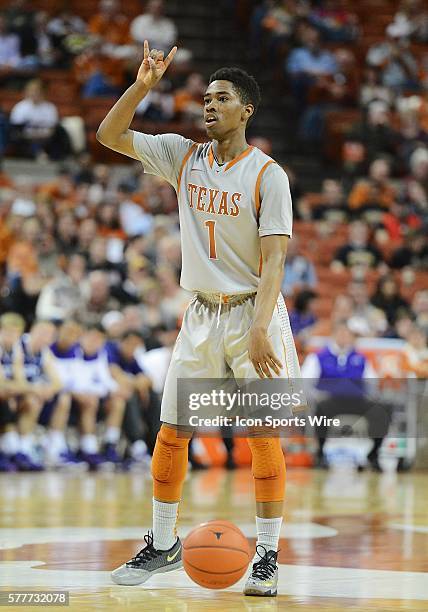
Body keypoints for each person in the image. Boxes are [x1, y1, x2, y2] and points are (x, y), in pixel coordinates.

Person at [97, 40, 304, 597]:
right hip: (201, 315)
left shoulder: (268, 175)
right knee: (172, 431)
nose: (208, 106)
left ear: (247, 111)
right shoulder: (181, 155)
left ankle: (266, 554)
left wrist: (261, 327)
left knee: (263, 436)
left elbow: (276, 257)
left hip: (253, 314)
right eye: (206, 98)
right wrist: (142, 86)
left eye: (222, 98)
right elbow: (108, 136)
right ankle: (163, 543)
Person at [301, 321, 390, 471]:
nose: (344, 337)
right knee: (321, 410)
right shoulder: (319, 357)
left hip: (357, 400)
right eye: (340, 333)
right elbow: (305, 381)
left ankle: (374, 454)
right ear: (333, 335)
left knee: (382, 410)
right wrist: (316, 395)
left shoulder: (360, 358)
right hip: (330, 400)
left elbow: (372, 383)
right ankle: (320, 453)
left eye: (347, 334)